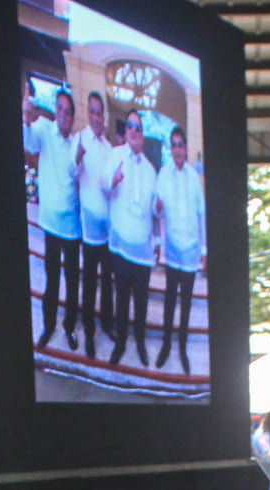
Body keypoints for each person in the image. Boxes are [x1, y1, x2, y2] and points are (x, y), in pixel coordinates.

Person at [23, 88, 84, 352]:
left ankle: (69, 327)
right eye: (59, 109)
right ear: (55, 111)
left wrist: (79, 161)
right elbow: (29, 143)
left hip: (72, 227)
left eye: (68, 111)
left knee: (72, 282)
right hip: (49, 223)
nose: (63, 114)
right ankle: (48, 326)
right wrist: (25, 115)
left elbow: (75, 175)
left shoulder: (76, 143)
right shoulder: (43, 129)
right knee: (51, 280)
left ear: (72, 117)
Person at [103, 110, 158, 369]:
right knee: (122, 299)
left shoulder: (150, 169)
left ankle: (140, 344)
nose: (134, 131)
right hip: (122, 247)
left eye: (138, 127)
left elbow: (154, 210)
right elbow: (103, 185)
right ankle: (121, 343)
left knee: (142, 302)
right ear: (126, 132)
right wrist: (112, 180)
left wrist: (156, 241)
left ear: (143, 135)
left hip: (143, 251)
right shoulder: (115, 155)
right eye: (130, 126)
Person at [151, 124, 204, 374]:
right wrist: (157, 208)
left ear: (186, 148)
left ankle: (182, 348)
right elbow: (155, 209)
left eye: (181, 145)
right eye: (173, 145)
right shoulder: (163, 174)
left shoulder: (194, 177)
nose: (177, 150)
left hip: (191, 253)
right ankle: (166, 345)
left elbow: (201, 214)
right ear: (170, 150)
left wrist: (204, 249)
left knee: (185, 304)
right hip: (172, 253)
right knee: (170, 302)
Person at [76, 92, 121, 361]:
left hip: (108, 230)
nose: (95, 117)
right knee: (90, 282)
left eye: (98, 112)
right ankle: (90, 333)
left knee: (107, 281)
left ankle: (106, 323)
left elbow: (111, 188)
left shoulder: (109, 149)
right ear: (88, 114)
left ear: (103, 117)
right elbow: (72, 174)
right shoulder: (79, 140)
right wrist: (77, 159)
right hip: (88, 229)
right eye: (91, 111)